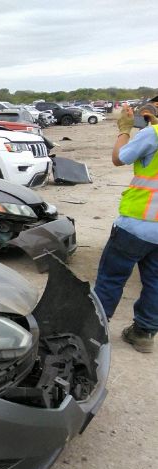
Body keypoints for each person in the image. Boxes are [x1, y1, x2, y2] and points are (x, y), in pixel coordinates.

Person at [94, 100, 158, 353]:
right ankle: (144, 333)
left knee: (111, 278)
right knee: (154, 281)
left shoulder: (152, 134)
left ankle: (95, 331)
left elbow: (119, 158)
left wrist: (124, 128)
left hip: (137, 223)